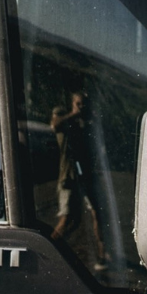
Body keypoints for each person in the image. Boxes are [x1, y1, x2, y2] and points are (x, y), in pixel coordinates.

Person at [48, 90, 99, 251]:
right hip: (68, 175)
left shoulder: (83, 123)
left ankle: (101, 253)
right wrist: (73, 114)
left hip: (82, 175)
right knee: (66, 218)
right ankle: (49, 248)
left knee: (84, 217)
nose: (81, 107)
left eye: (83, 104)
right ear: (72, 104)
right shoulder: (64, 118)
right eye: (78, 103)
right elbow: (54, 125)